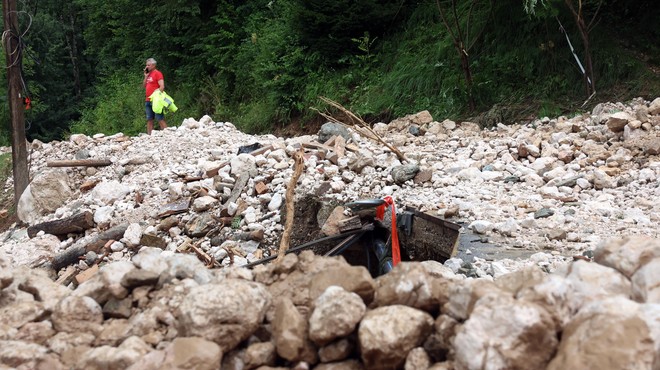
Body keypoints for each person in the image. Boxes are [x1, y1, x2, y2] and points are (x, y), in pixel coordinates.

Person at [143, 58, 168, 134]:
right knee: (149, 119)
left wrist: (156, 95)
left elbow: (162, 86)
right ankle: (149, 136)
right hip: (148, 99)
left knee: (159, 118)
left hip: (156, 99)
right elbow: (144, 85)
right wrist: (145, 76)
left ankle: (167, 133)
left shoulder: (157, 73)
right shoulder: (148, 74)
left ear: (153, 65)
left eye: (148, 65)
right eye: (146, 65)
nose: (147, 67)